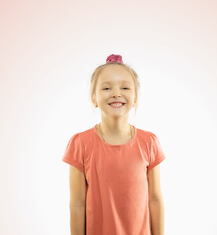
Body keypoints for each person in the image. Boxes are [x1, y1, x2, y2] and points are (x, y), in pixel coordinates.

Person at [62, 54, 166, 235]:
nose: (116, 93)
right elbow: (77, 204)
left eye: (125, 87)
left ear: (135, 98)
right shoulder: (80, 143)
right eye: (107, 88)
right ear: (94, 98)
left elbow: (155, 199)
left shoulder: (149, 142)